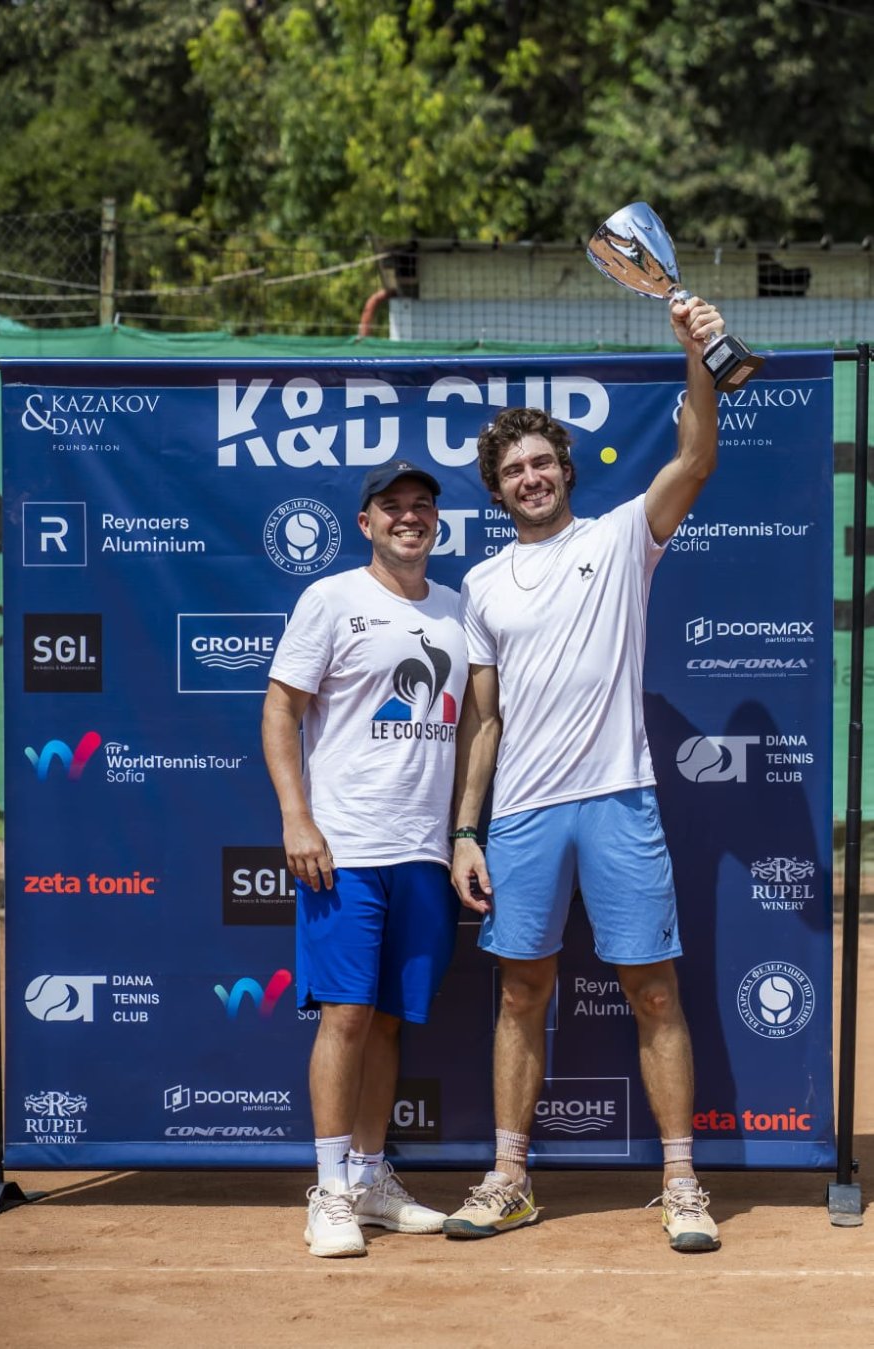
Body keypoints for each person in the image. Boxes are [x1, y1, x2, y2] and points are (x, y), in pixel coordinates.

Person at [442, 296, 725, 1253]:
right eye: (512, 470)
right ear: (498, 490)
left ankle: (681, 1183)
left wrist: (696, 353)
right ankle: (510, 1178)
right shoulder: (480, 585)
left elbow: (695, 458)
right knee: (521, 995)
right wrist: (466, 829)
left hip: (617, 799)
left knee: (654, 991)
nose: (530, 477)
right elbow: (484, 720)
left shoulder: (618, 537)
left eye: (542, 462)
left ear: (566, 468)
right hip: (522, 814)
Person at [262, 460, 467, 1259]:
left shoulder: (457, 609)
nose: (409, 517)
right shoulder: (331, 597)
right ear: (366, 522)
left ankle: (371, 1178)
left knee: (386, 1023)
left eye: (422, 506)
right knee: (345, 1016)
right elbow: (281, 706)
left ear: (436, 521)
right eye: (393, 506)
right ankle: (328, 1190)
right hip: (343, 849)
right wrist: (297, 818)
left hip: (423, 851)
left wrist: (462, 833)